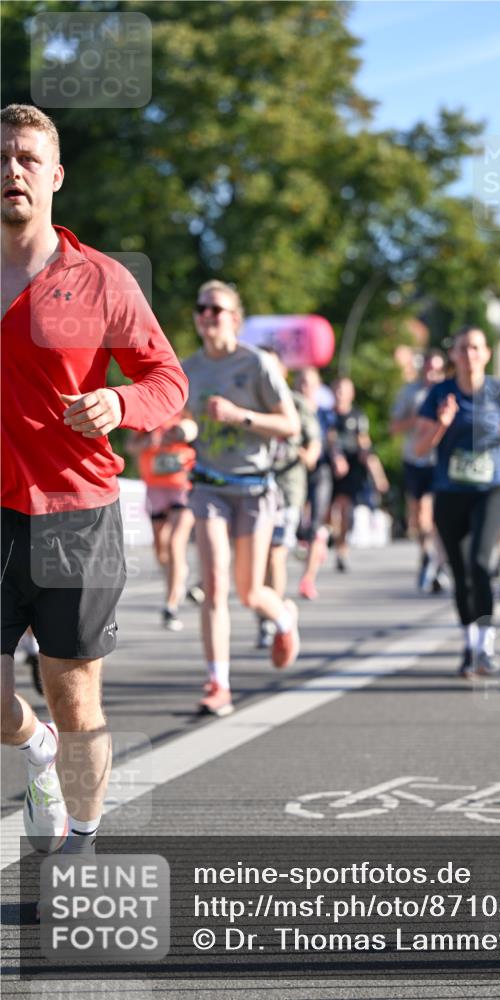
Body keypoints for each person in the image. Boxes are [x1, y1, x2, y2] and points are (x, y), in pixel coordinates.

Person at [1, 104, 188, 857]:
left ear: (54, 177)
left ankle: (81, 840)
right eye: (1, 156)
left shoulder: (100, 279)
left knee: (73, 693)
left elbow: (167, 380)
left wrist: (120, 400)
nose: (11, 170)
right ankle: (35, 748)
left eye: (25, 158)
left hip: (77, 514)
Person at [177, 280, 301, 717]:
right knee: (214, 585)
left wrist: (239, 416)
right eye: (202, 308)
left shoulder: (258, 364)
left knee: (249, 593)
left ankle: (284, 617)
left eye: (216, 308)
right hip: (209, 485)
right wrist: (182, 432)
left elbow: (291, 427)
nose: (207, 315)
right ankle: (218, 683)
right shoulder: (188, 366)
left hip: (253, 488)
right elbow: (190, 420)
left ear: (235, 319)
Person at [414, 326, 500, 677]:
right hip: (450, 492)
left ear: (487, 353)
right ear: (454, 355)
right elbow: (419, 448)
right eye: (463, 348)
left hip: (491, 490)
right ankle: (469, 643)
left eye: (476, 348)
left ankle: (486, 646)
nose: (470, 354)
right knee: (460, 574)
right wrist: (442, 425)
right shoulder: (439, 394)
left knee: (479, 562)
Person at [257, 348, 321, 645]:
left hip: (288, 486)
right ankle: (270, 612)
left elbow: (314, 440)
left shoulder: (295, 403)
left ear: (282, 370)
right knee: (256, 558)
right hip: (255, 486)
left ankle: (272, 620)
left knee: (275, 554)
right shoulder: (251, 403)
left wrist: (308, 454)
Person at [128, 423, 199, 631]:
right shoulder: (148, 416)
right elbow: (131, 446)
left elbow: (195, 431)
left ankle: (171, 605)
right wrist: (146, 443)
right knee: (161, 550)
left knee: (176, 543)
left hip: (182, 486)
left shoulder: (184, 412)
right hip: (155, 486)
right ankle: (178, 580)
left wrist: (182, 432)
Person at [390, 350, 447, 592]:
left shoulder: (448, 393)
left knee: (438, 515)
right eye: (427, 369)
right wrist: (416, 419)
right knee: (419, 516)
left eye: (436, 370)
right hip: (414, 458)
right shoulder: (409, 393)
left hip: (440, 460)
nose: (431, 374)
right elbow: (394, 427)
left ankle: (439, 562)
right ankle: (426, 554)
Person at [293, 367, 336, 600]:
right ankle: (311, 545)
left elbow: (332, 439)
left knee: (315, 526)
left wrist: (336, 457)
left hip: (320, 471)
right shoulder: (288, 409)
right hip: (294, 473)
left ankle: (307, 580)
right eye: (300, 382)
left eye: (309, 383)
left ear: (318, 387)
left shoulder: (325, 413)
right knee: (298, 527)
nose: (304, 387)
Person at [328, 376, 374, 572]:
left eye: (343, 390)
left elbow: (364, 442)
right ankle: (327, 536)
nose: (340, 394)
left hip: (352, 466)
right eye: (337, 389)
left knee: (344, 508)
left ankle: (341, 549)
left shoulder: (357, 416)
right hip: (329, 467)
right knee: (329, 511)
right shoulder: (327, 415)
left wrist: (375, 471)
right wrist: (335, 457)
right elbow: (329, 439)